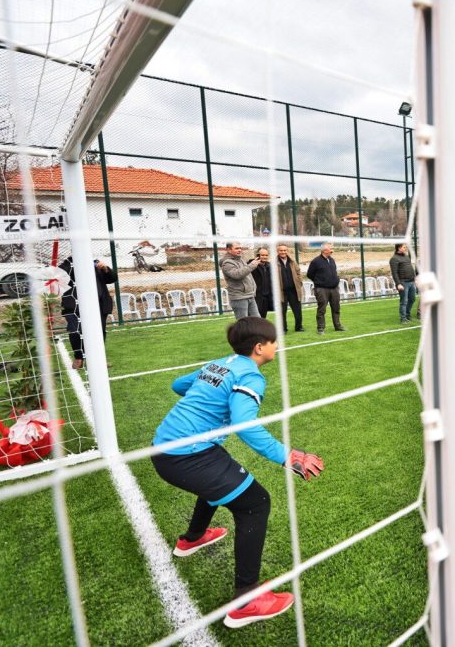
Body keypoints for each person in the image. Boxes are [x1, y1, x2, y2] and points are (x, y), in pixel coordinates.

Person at [150, 317, 324, 628]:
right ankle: (247, 601)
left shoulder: (219, 363)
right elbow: (245, 424)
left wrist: (205, 405)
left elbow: (179, 385)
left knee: (224, 479)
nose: (277, 347)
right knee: (256, 503)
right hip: (185, 456)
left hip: (165, 446)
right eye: (274, 342)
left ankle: (193, 538)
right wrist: (287, 456)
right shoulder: (251, 376)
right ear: (260, 347)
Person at [59, 255, 117, 369]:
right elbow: (60, 274)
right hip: (74, 306)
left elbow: (112, 278)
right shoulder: (68, 263)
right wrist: (75, 263)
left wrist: (105, 269)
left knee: (99, 332)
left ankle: (98, 359)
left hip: (98, 305)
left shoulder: (95, 263)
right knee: (75, 331)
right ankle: (79, 357)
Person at [306, 243, 345, 333]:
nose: (332, 250)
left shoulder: (332, 260)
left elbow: (334, 272)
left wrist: (336, 280)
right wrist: (319, 281)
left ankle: (337, 326)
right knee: (322, 309)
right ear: (325, 250)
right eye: (330, 248)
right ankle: (320, 328)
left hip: (334, 288)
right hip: (322, 289)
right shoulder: (315, 261)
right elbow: (309, 274)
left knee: (336, 308)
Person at [220, 242, 261, 319]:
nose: (239, 250)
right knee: (243, 323)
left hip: (249, 295)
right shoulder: (227, 263)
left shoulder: (241, 259)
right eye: (236, 248)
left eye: (240, 248)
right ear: (228, 250)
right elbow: (237, 275)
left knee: (257, 321)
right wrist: (252, 265)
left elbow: (247, 274)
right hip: (239, 297)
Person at [275, 244, 304, 333]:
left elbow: (298, 272)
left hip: (293, 291)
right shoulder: (274, 263)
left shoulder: (292, 261)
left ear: (287, 251)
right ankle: (283, 329)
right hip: (281, 292)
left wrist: (299, 282)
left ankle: (298, 327)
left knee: (297, 310)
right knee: (282, 312)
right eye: (281, 250)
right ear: (278, 251)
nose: (283, 252)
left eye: (285, 250)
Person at [390, 243, 418, 324]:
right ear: (399, 248)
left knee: (412, 299)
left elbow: (410, 268)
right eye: (404, 247)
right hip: (403, 283)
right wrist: (398, 284)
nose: (405, 248)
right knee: (404, 301)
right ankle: (403, 319)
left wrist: (414, 278)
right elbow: (394, 273)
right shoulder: (394, 259)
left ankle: (408, 315)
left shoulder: (406, 257)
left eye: (405, 247)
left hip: (411, 282)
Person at [250, 248, 273, 320]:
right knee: (255, 316)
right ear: (258, 255)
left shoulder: (269, 266)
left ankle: (261, 330)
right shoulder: (253, 265)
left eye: (266, 255)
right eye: (262, 255)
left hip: (266, 296)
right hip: (256, 296)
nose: (265, 257)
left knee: (263, 317)